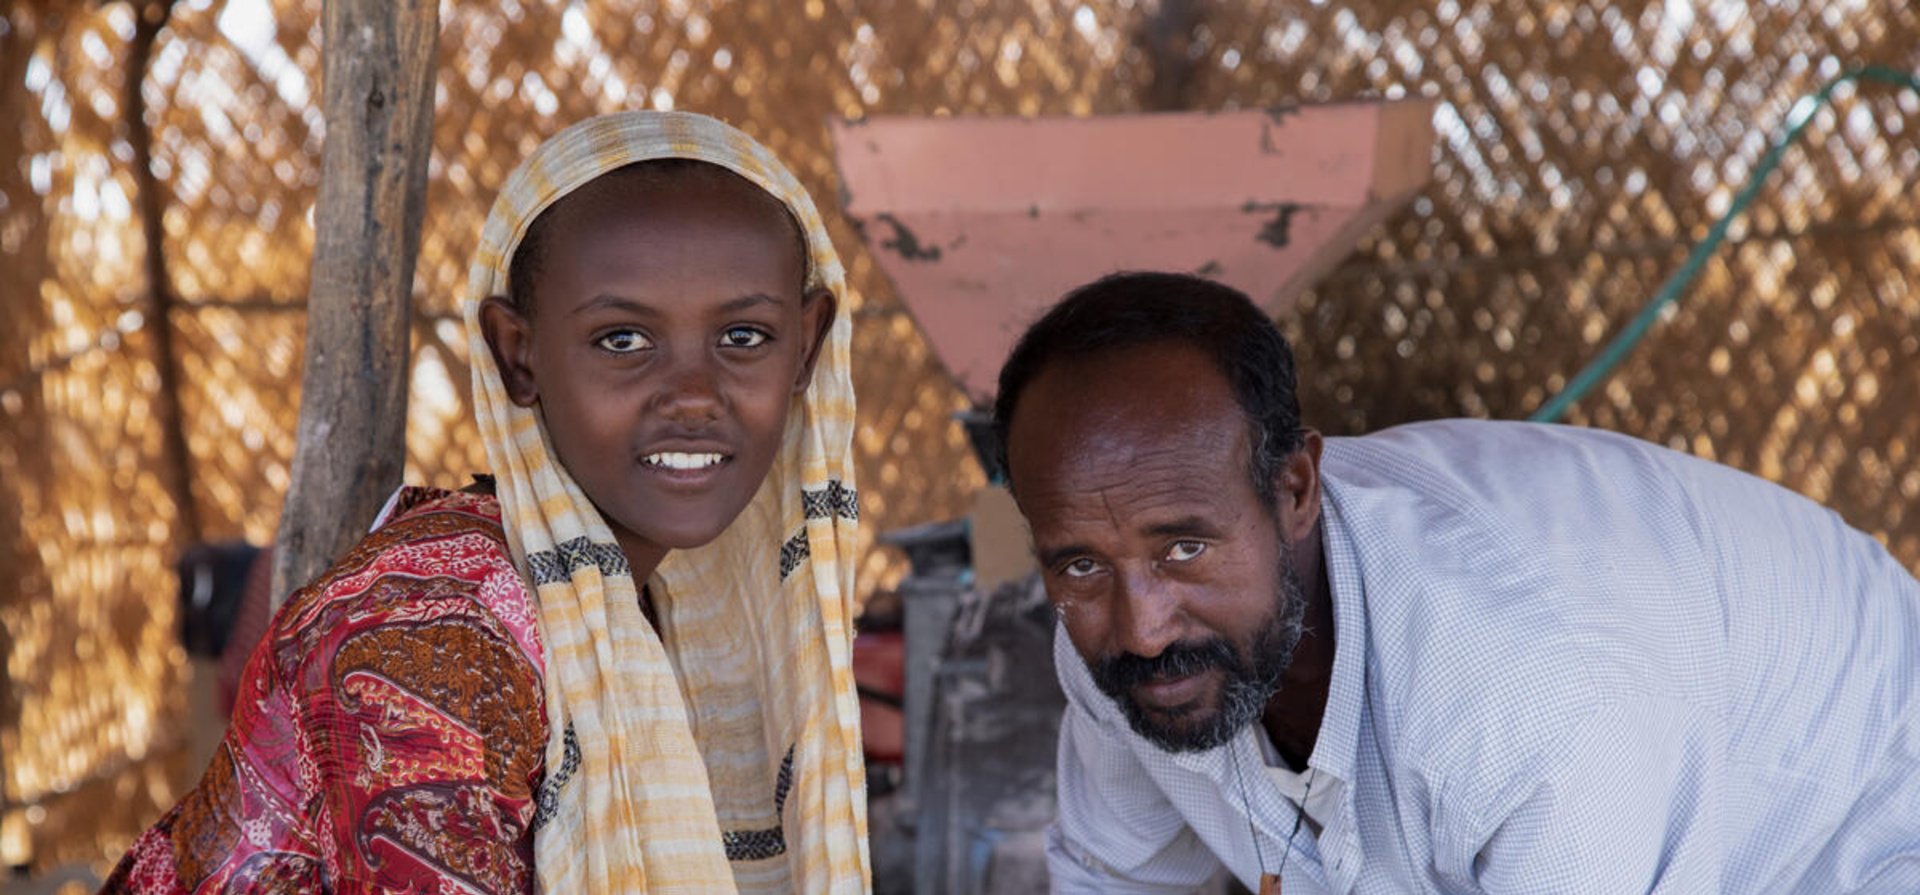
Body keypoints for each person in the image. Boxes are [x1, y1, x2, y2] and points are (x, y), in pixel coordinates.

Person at [102, 111, 870, 894]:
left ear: (806, 346)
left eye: (743, 337)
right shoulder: (430, 638)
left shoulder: (630, 608)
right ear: (517, 353)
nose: (694, 397)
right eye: (622, 340)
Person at [993, 271, 1920, 894]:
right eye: (1077, 561)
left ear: (1296, 490)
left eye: (1185, 548)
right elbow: (1117, 878)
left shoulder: (1520, 691)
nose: (1143, 626)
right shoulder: (1119, 648)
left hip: (1860, 827)